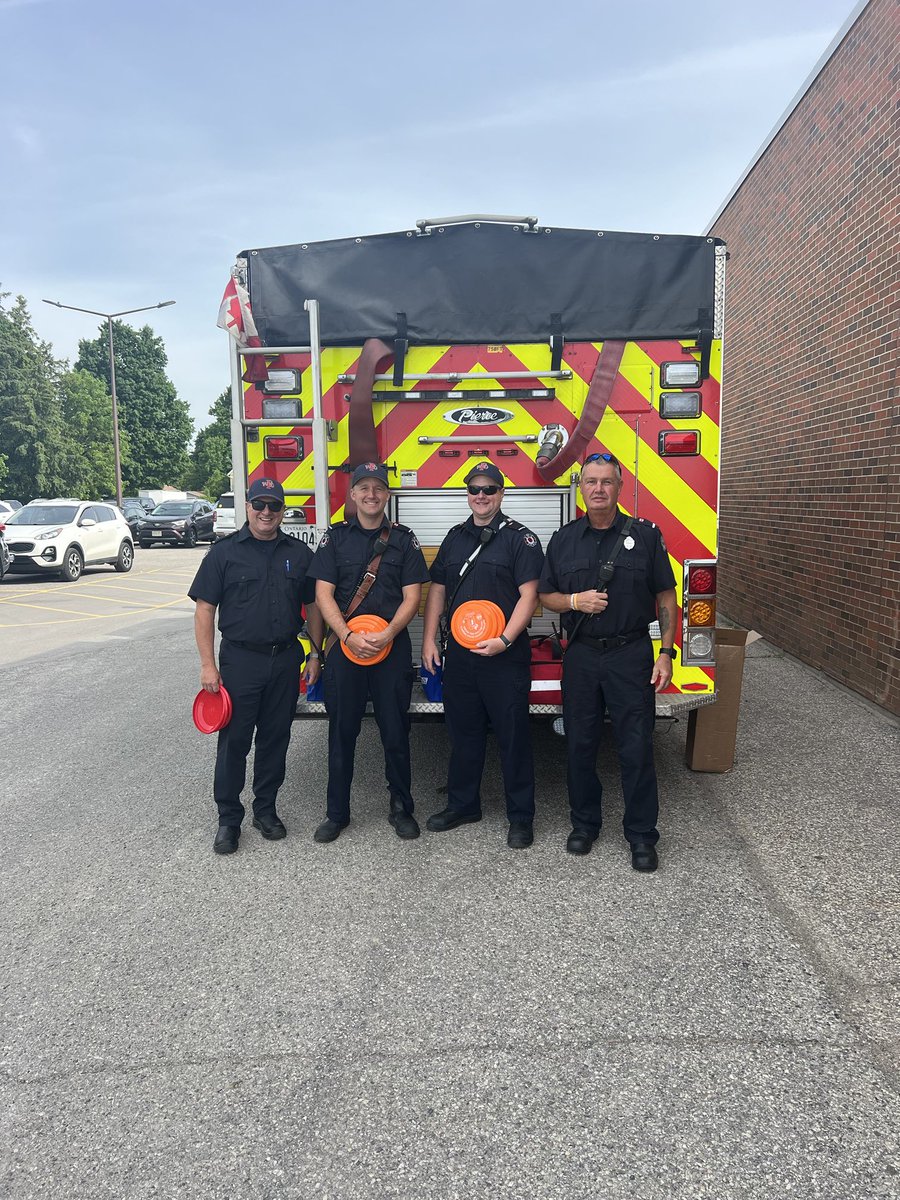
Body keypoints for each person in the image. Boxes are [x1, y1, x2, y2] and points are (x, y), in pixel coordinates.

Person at [538, 452, 677, 871]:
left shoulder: (647, 536)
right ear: (581, 488)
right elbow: (546, 596)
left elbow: (666, 597)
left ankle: (641, 836)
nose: (598, 489)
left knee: (636, 747)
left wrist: (667, 653)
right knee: (580, 745)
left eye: (607, 482)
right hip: (581, 656)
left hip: (630, 654)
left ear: (620, 487)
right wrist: (575, 601)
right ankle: (584, 824)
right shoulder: (563, 539)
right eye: (591, 482)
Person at [189, 477, 323, 855]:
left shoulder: (298, 553)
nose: (266, 512)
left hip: (285, 660)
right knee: (234, 744)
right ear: (247, 507)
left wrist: (315, 654)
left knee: (274, 740)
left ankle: (265, 810)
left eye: (274, 506)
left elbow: (312, 607)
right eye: (259, 504)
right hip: (239, 661)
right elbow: (204, 610)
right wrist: (207, 665)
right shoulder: (223, 553)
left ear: (283, 511)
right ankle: (229, 819)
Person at [422, 463, 545, 848]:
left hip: (504, 657)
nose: (481, 496)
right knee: (463, 735)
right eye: (475, 489)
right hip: (460, 656)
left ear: (502, 494)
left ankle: (521, 817)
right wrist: (429, 641)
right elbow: (438, 592)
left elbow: (530, 595)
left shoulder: (520, 539)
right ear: (467, 493)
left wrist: (506, 640)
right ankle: (463, 805)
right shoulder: (455, 538)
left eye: (489, 489)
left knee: (513, 737)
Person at [309, 462, 430, 844]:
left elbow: (414, 596)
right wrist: (344, 636)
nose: (371, 494)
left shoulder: (405, 540)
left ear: (387, 495)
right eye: (364, 488)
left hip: (390, 650)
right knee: (341, 731)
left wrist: (389, 633)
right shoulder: (335, 539)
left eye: (378, 488)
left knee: (395, 730)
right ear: (353, 494)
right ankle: (337, 813)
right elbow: (322, 594)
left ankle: (401, 808)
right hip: (346, 650)